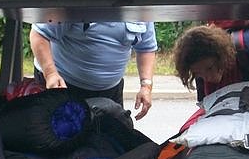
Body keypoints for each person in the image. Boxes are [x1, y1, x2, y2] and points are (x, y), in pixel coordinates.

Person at [29, 21, 157, 120]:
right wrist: (50, 74)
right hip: (63, 86)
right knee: (64, 140)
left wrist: (146, 86)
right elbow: (39, 34)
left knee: (113, 141)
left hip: (111, 91)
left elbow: (146, 48)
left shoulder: (138, 3)